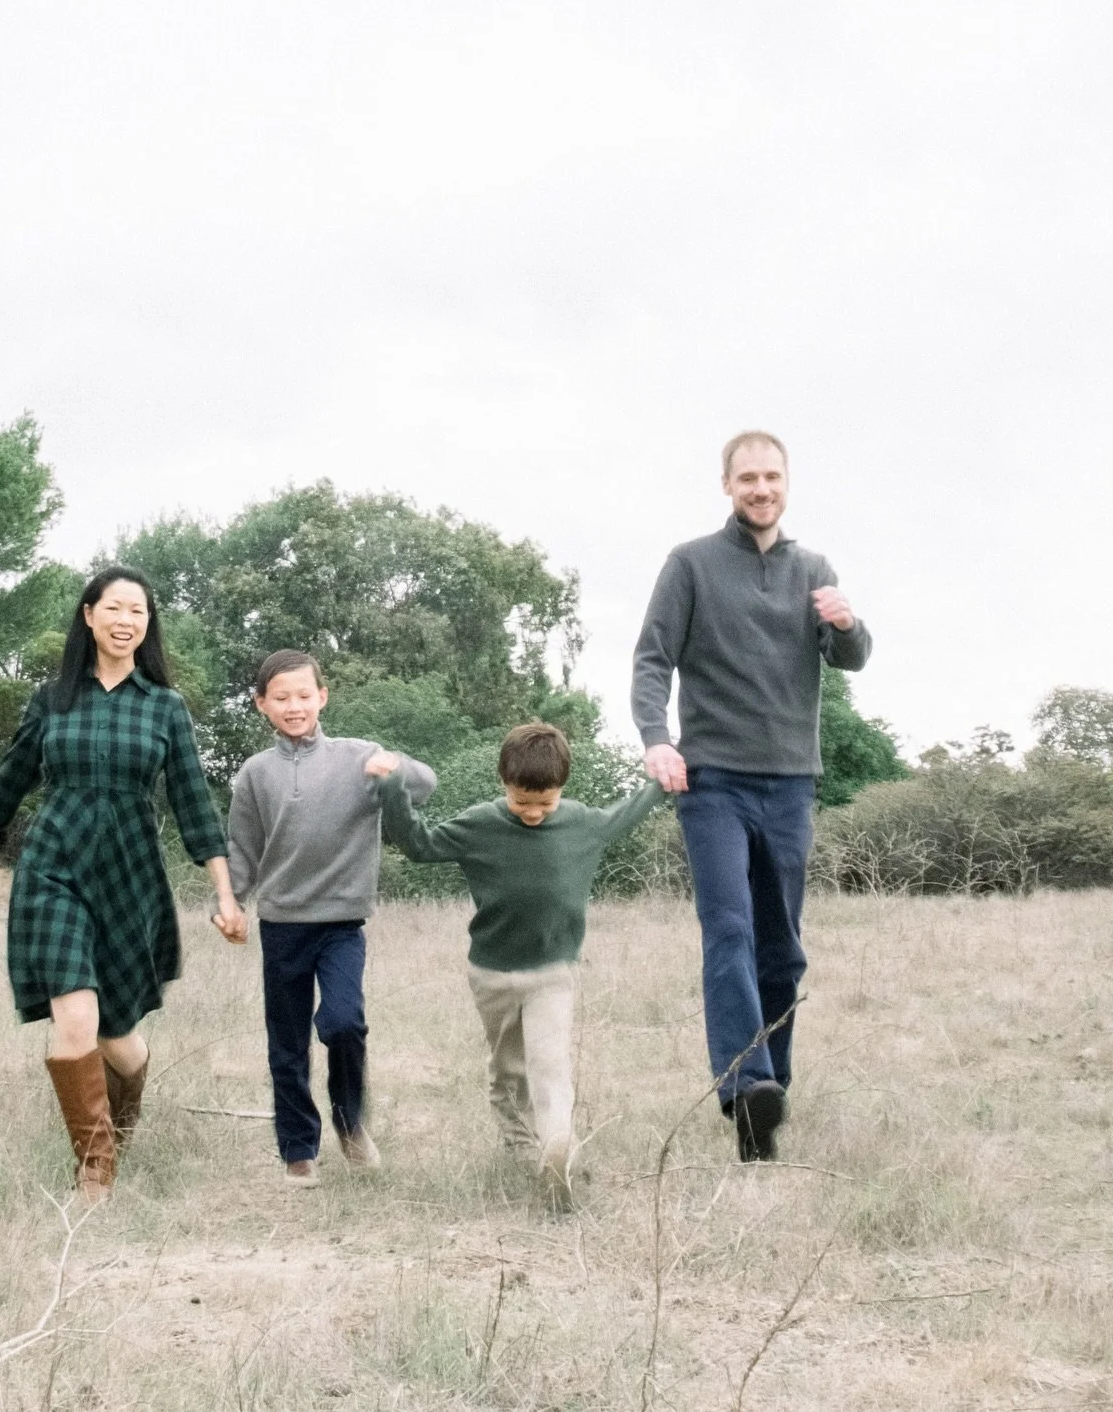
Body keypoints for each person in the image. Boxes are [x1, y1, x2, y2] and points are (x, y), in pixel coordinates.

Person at [0, 568, 247, 1203]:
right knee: (74, 1019)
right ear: (89, 616)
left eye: (138, 610)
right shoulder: (52, 699)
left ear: (146, 624)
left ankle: (120, 1116)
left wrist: (224, 894)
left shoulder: (165, 706)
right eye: (114, 607)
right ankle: (95, 1169)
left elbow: (192, 803)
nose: (126, 619)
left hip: (130, 877)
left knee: (119, 1038)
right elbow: (7, 784)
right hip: (53, 868)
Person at [631, 431, 871, 1162]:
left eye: (771, 476)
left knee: (782, 950)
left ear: (786, 483)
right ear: (727, 485)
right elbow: (651, 659)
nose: (760, 488)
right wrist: (656, 737)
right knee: (730, 930)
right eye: (747, 478)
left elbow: (853, 657)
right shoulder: (691, 564)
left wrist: (847, 622)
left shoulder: (814, 569)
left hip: (792, 781)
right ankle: (746, 1082)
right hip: (713, 783)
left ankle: (768, 1097)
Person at [369, 722, 663, 1211]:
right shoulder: (479, 824)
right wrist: (390, 786)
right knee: (509, 1069)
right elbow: (419, 845)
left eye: (544, 803)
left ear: (562, 788)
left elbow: (627, 812)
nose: (532, 812)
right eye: (521, 801)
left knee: (550, 1065)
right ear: (504, 781)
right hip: (493, 974)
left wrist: (661, 778)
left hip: (554, 971)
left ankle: (557, 1152)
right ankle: (520, 1150)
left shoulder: (583, 822)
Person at [228, 649, 437, 1188]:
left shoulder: (358, 755)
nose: (294, 706)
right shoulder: (255, 773)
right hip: (282, 925)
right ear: (262, 705)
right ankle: (299, 1150)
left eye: (304, 695)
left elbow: (426, 783)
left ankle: (350, 1122)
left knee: (344, 1023)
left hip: (342, 922)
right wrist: (229, 902)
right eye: (281, 698)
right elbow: (244, 850)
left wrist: (393, 769)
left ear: (322, 697)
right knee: (287, 1043)